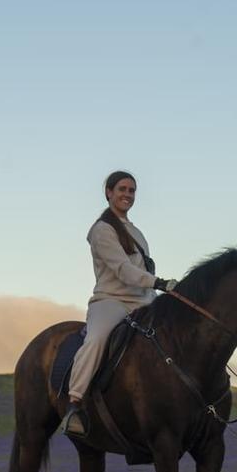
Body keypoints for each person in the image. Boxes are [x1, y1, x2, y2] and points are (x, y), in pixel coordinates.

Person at [61, 171, 178, 438]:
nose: (127, 194)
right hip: (111, 300)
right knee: (97, 339)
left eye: (131, 190)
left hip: (144, 300)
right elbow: (123, 270)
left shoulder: (137, 232)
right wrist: (159, 282)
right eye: (122, 189)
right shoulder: (101, 230)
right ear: (109, 193)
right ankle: (75, 404)